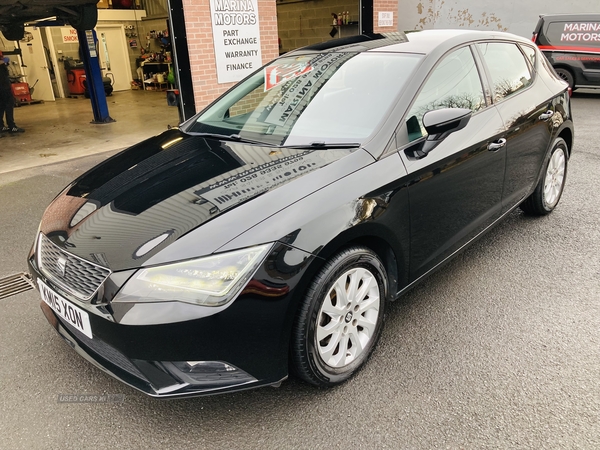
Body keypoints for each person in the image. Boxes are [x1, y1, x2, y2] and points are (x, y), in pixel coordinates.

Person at [0, 50, 25, 135]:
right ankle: (12, 126)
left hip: (3, 84)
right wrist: (4, 61)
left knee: (1, 106)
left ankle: (1, 126)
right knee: (9, 105)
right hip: (3, 86)